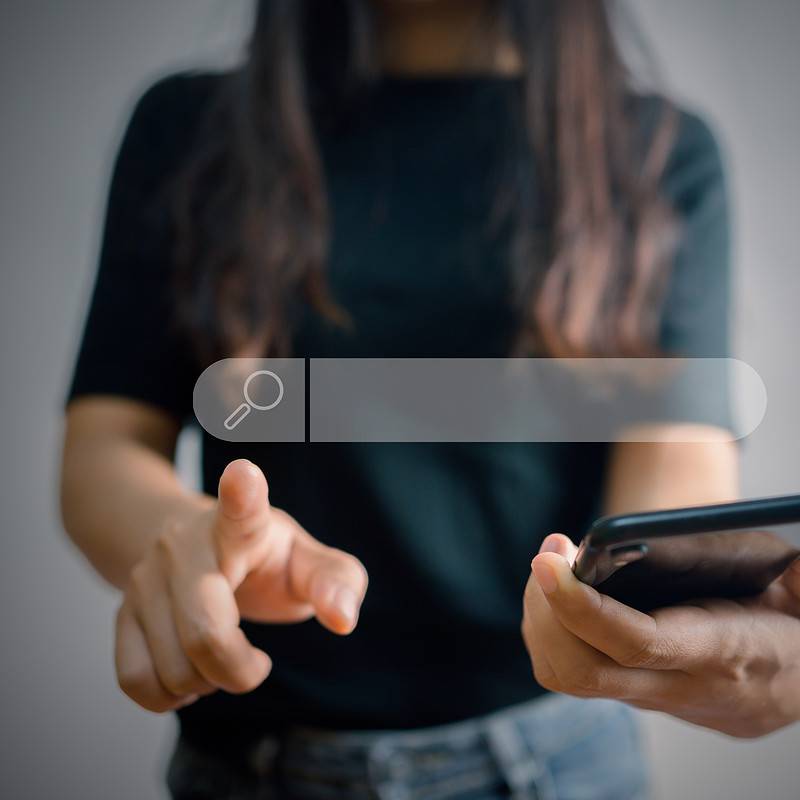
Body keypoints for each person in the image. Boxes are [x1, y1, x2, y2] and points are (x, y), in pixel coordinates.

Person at [60, 1, 800, 798]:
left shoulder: (659, 153)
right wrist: (188, 537)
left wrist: (667, 612)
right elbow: (106, 447)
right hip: (250, 765)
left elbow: (678, 469)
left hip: (556, 764)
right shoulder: (190, 128)